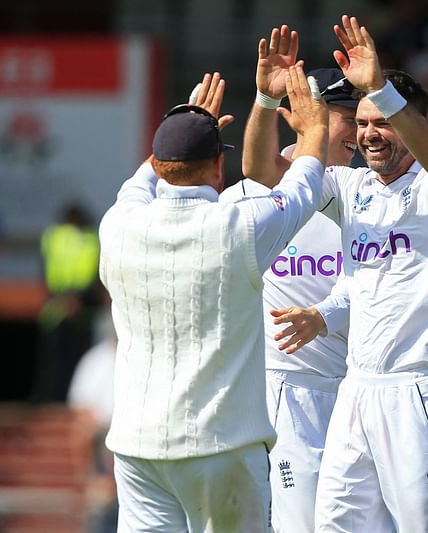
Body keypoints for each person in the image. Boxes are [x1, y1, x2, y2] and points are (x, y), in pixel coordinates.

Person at [97, 66, 329, 532]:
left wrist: (182, 125)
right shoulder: (240, 227)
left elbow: (143, 180)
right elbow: (303, 188)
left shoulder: (117, 224)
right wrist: (315, 128)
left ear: (160, 165)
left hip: (137, 447)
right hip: (220, 446)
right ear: (219, 167)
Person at [272, 15, 428, 532]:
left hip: (422, 388)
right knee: (336, 526)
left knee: (423, 525)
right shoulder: (351, 188)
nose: (369, 134)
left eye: (381, 122)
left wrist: (381, 89)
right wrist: (273, 108)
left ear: (409, 122)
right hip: (356, 389)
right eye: (362, 123)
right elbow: (265, 174)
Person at [220, 25, 355, 533]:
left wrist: (326, 315)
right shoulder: (270, 198)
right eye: (341, 117)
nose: (357, 130)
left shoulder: (367, 195)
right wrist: (261, 97)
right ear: (301, 118)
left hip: (357, 386)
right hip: (286, 390)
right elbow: (257, 171)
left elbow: (372, 281)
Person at [32, 202, 101, 402]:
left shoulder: (78, 238)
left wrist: (75, 300)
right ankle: (50, 399)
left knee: (75, 359)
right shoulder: (61, 238)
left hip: (79, 308)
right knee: (55, 360)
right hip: (62, 307)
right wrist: (68, 300)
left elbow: (94, 274)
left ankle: (65, 400)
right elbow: (47, 270)